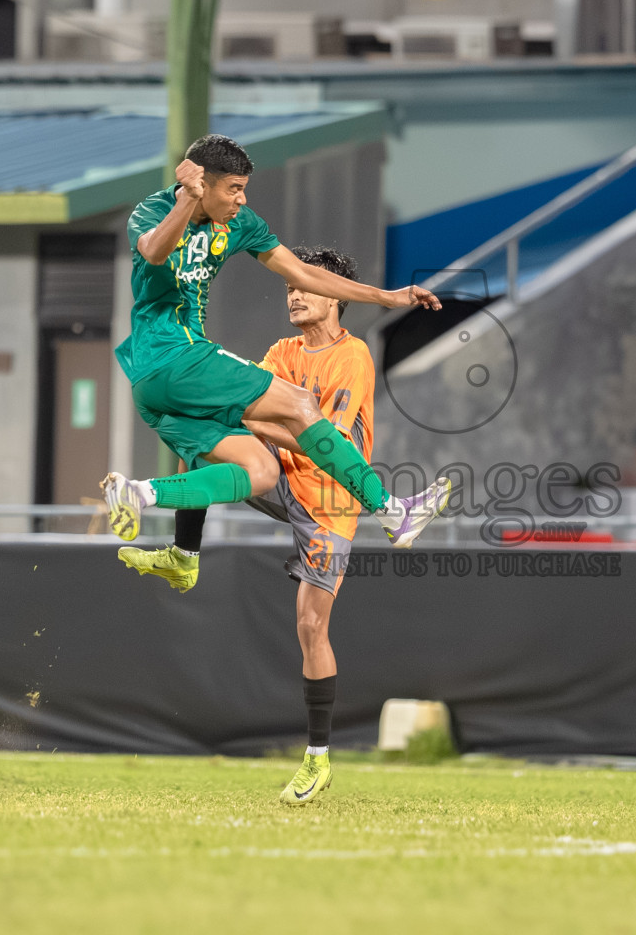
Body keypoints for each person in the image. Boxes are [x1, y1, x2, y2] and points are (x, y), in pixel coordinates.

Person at [99, 134, 450, 550]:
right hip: (172, 355)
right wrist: (186, 201)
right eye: (233, 189)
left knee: (260, 470)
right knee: (301, 404)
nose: (241, 200)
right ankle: (392, 511)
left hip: (159, 386)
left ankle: (143, 499)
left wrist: (386, 296)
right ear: (202, 184)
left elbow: (304, 274)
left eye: (243, 189)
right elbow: (155, 253)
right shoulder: (153, 210)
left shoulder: (239, 224)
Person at [124, 246, 375, 805]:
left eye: (306, 284)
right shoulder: (282, 351)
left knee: (311, 627)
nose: (294, 292)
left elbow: (326, 442)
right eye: (290, 285)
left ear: (337, 296)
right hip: (283, 474)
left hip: (330, 499)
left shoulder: (352, 356)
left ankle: (318, 759)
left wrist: (272, 422)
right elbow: (245, 408)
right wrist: (263, 422)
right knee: (208, 440)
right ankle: (184, 556)